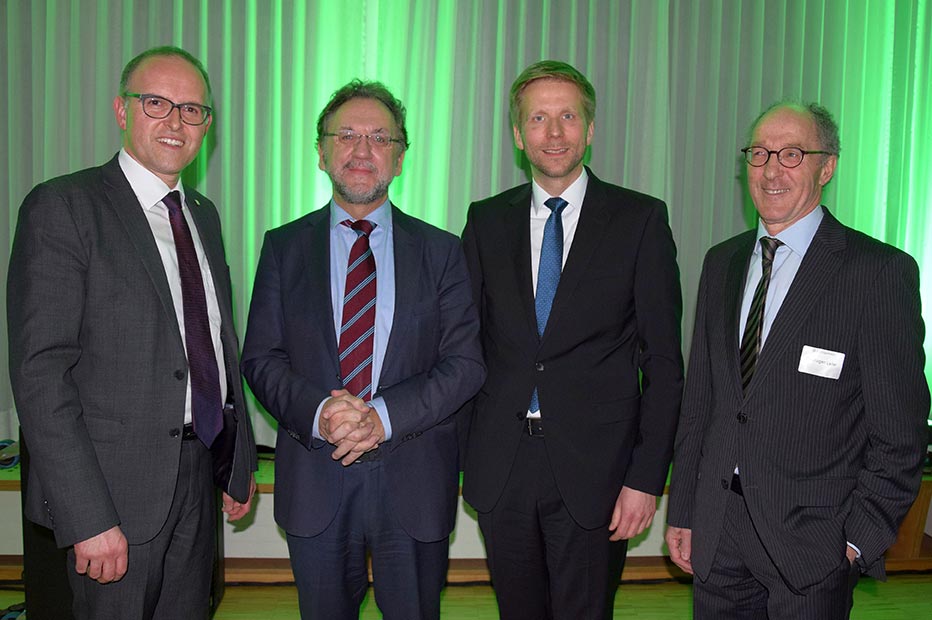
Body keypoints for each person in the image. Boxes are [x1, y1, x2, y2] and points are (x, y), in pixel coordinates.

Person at [7, 46, 257, 619]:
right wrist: (89, 517)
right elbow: (40, 375)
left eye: (192, 109)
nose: (175, 121)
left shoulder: (203, 213)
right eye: (156, 103)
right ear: (122, 111)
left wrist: (235, 460)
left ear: (207, 125)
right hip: (113, 495)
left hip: (196, 477)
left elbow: (216, 344)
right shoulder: (64, 206)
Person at [665, 102, 930, 619]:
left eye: (792, 154)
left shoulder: (876, 274)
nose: (770, 169)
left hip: (815, 544)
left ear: (826, 167)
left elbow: (900, 432)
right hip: (720, 531)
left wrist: (858, 538)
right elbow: (702, 403)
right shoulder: (722, 263)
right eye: (759, 153)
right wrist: (685, 512)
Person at [241, 79, 485, 620]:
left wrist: (381, 417)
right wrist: (322, 411)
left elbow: (465, 364)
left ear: (399, 158)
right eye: (346, 134)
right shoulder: (283, 247)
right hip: (315, 478)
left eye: (380, 138)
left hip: (414, 481)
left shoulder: (442, 251)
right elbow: (260, 358)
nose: (361, 149)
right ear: (322, 152)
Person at [460, 60, 684, 619]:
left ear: (590, 128)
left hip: (598, 471)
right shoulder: (485, 222)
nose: (554, 133)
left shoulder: (640, 220)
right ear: (518, 134)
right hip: (503, 463)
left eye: (567, 116)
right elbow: (464, 346)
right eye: (538, 118)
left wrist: (645, 478)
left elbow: (663, 363)